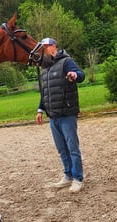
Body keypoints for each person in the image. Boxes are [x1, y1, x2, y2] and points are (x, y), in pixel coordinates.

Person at [36, 38, 85, 193]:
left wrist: (74, 75)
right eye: (41, 48)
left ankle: (78, 178)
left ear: (53, 47)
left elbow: (81, 74)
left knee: (72, 147)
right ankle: (68, 175)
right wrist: (40, 109)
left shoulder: (66, 61)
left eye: (45, 47)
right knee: (61, 148)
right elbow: (45, 92)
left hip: (67, 112)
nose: (43, 50)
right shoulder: (45, 68)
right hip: (53, 115)